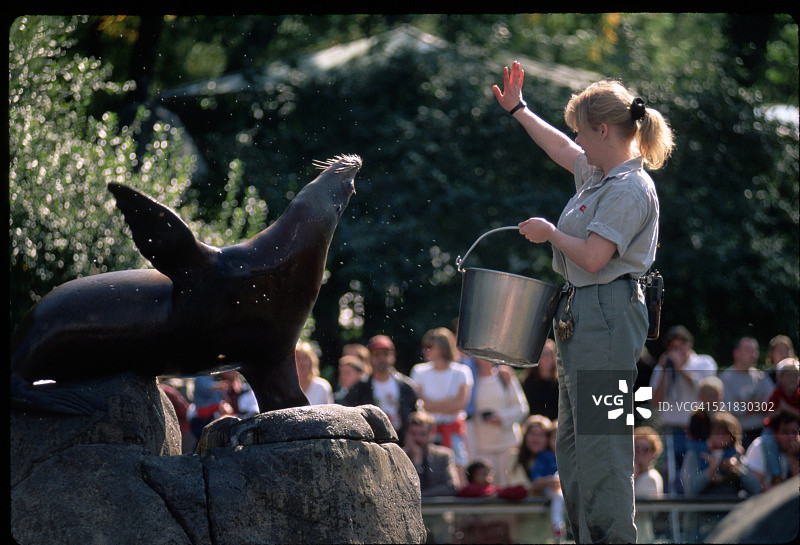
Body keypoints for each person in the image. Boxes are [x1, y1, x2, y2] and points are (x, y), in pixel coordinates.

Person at [493, 60, 674, 543]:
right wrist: (519, 110)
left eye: (582, 131)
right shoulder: (599, 175)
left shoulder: (631, 187)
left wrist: (551, 233)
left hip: (608, 315)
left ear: (603, 130)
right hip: (582, 314)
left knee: (604, 445)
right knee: (573, 447)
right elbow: (560, 147)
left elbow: (594, 258)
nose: (578, 141)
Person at [650, 325, 718, 492]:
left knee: (698, 472)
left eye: (680, 346)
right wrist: (665, 372)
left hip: (698, 428)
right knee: (672, 475)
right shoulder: (662, 369)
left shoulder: (704, 362)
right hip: (673, 430)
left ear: (689, 345)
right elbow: (655, 402)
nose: (677, 352)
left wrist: (681, 369)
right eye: (673, 348)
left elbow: (706, 393)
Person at [680, 411, 761, 541]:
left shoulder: (735, 456)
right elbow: (690, 490)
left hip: (730, 525)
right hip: (700, 525)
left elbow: (756, 488)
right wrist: (710, 470)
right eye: (717, 432)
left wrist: (736, 469)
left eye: (725, 434)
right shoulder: (694, 455)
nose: (721, 437)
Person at [411, 327, 473, 482]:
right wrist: (447, 404)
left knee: (459, 470)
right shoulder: (419, 371)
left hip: (453, 431)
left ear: (442, 347)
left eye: (430, 346)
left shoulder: (461, 371)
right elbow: (421, 405)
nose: (425, 350)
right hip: (427, 433)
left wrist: (433, 405)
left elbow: (460, 405)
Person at [342, 334, 420, 444]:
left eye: (386, 354)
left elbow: (414, 417)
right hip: (371, 442)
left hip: (401, 441)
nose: (382, 358)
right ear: (370, 357)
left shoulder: (406, 387)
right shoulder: (359, 388)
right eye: (377, 354)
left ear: (393, 356)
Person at [466, 357, 529, 487]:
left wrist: (500, 417)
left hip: (508, 446)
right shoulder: (470, 381)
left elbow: (521, 408)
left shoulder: (504, 377)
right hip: (481, 448)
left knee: (510, 486)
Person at [508, 415, 566, 538]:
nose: (536, 439)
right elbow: (517, 487)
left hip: (548, 527)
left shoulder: (555, 459)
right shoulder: (515, 458)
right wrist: (541, 484)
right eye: (532, 434)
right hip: (524, 523)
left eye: (541, 435)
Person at [719, 336, 775, 448]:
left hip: (762, 432)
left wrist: (743, 403)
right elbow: (730, 408)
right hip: (737, 436)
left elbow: (772, 403)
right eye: (748, 350)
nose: (753, 354)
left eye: (755, 350)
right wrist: (758, 404)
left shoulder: (761, 377)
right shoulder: (725, 379)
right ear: (736, 353)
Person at [403, 410, 459, 496]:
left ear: (432, 434)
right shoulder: (399, 456)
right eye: (413, 434)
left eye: (422, 434)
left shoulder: (443, 456)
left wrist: (421, 496)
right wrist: (416, 461)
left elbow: (452, 486)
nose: (417, 438)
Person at [745, 411, 800, 491]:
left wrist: (792, 456)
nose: (790, 437)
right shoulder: (759, 446)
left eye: (794, 432)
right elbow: (756, 486)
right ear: (775, 433)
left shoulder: (795, 449)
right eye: (785, 432)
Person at [633, 426, 664, 544]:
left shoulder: (652, 478)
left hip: (642, 537)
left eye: (646, 449)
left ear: (653, 452)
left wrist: (634, 478)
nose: (640, 452)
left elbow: (629, 505)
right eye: (637, 448)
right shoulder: (632, 474)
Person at [520, 338, 559, 421]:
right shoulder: (526, 384)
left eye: (549, 354)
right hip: (533, 426)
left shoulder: (561, 385)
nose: (546, 358)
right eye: (543, 354)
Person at [295, 341, 333, 405]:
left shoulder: (322, 387)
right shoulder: (287, 387)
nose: (302, 362)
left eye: (305, 358)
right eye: (298, 358)